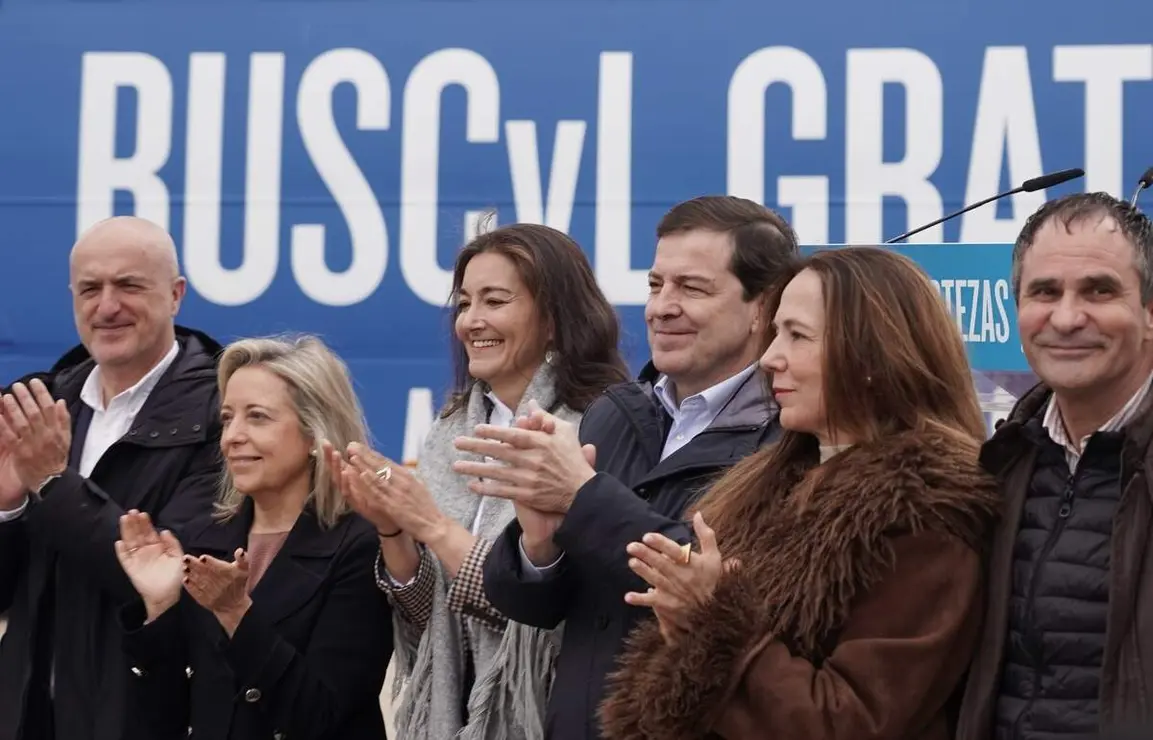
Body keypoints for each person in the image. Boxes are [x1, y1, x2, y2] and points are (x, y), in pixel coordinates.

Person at [595, 246, 1001, 739]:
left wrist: (711, 619)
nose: (769, 358)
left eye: (798, 336)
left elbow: (850, 720)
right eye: (775, 333)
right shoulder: (760, 487)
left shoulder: (927, 513)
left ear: (871, 355)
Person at [466, 196, 798, 739]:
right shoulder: (616, 412)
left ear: (761, 307)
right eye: (654, 285)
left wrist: (584, 498)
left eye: (691, 288)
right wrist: (539, 545)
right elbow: (532, 606)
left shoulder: (788, 441)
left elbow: (735, 587)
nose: (661, 307)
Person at [323, 223, 630, 740]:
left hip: (552, 716)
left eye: (495, 300)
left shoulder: (596, 429)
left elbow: (549, 612)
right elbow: (432, 622)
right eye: (465, 303)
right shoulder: (448, 434)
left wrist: (433, 525)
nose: (472, 321)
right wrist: (394, 530)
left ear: (554, 318)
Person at [0, 216, 224, 740]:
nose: (106, 307)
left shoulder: (222, 417)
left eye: (128, 285)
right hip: (26, 714)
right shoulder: (43, 405)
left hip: (146, 717)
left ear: (175, 295)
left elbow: (166, 577)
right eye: (90, 289)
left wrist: (54, 484)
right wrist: (8, 505)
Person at [114, 335, 394, 740]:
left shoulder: (361, 545)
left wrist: (235, 614)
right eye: (227, 418)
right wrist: (160, 609)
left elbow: (320, 717)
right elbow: (160, 721)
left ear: (316, 433)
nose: (231, 437)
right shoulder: (202, 539)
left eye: (257, 417)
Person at [956, 193, 1153, 739]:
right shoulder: (999, 464)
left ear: (1150, 311)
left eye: (1100, 290)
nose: (1066, 318)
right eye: (1044, 292)